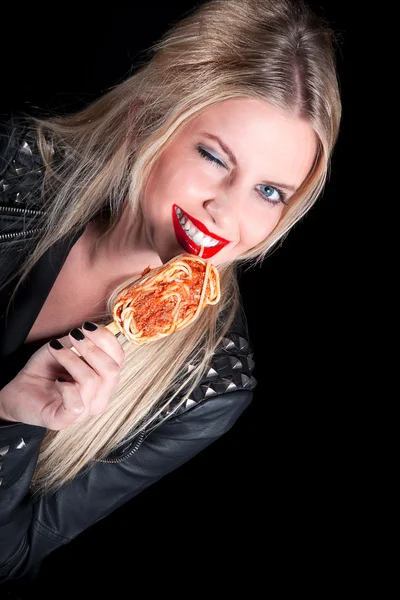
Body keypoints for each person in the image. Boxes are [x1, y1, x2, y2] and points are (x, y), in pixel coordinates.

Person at [0, 0, 341, 587]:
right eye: (214, 157)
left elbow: (11, 558)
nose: (226, 212)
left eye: (268, 191)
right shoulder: (14, 169)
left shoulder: (208, 387)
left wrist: (11, 421)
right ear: (145, 122)